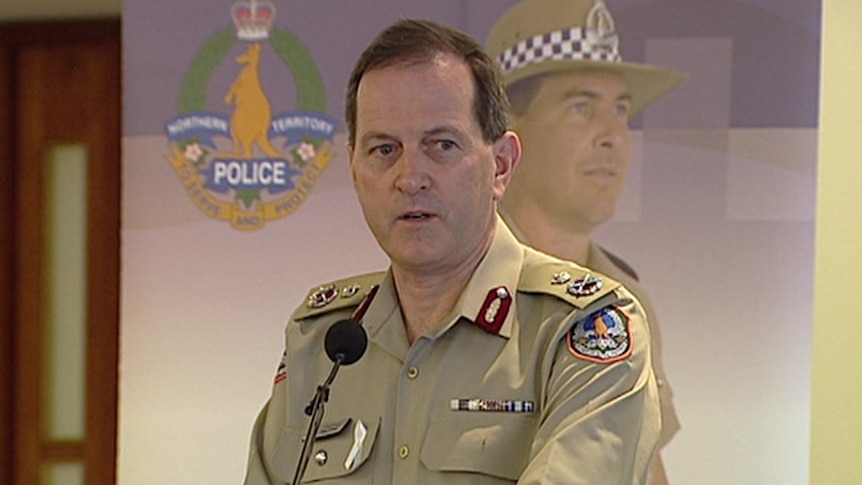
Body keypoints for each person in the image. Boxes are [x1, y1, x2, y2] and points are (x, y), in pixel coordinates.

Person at [244, 18, 660, 484]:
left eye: (441, 145)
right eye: (384, 150)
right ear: (354, 170)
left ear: (501, 166)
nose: (410, 176)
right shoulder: (323, 339)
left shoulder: (583, 328)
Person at [485, 0, 687, 482]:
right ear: (507, 133)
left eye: (620, 110)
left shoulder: (624, 301)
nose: (613, 135)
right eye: (581, 107)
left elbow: (643, 465)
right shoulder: (450, 288)